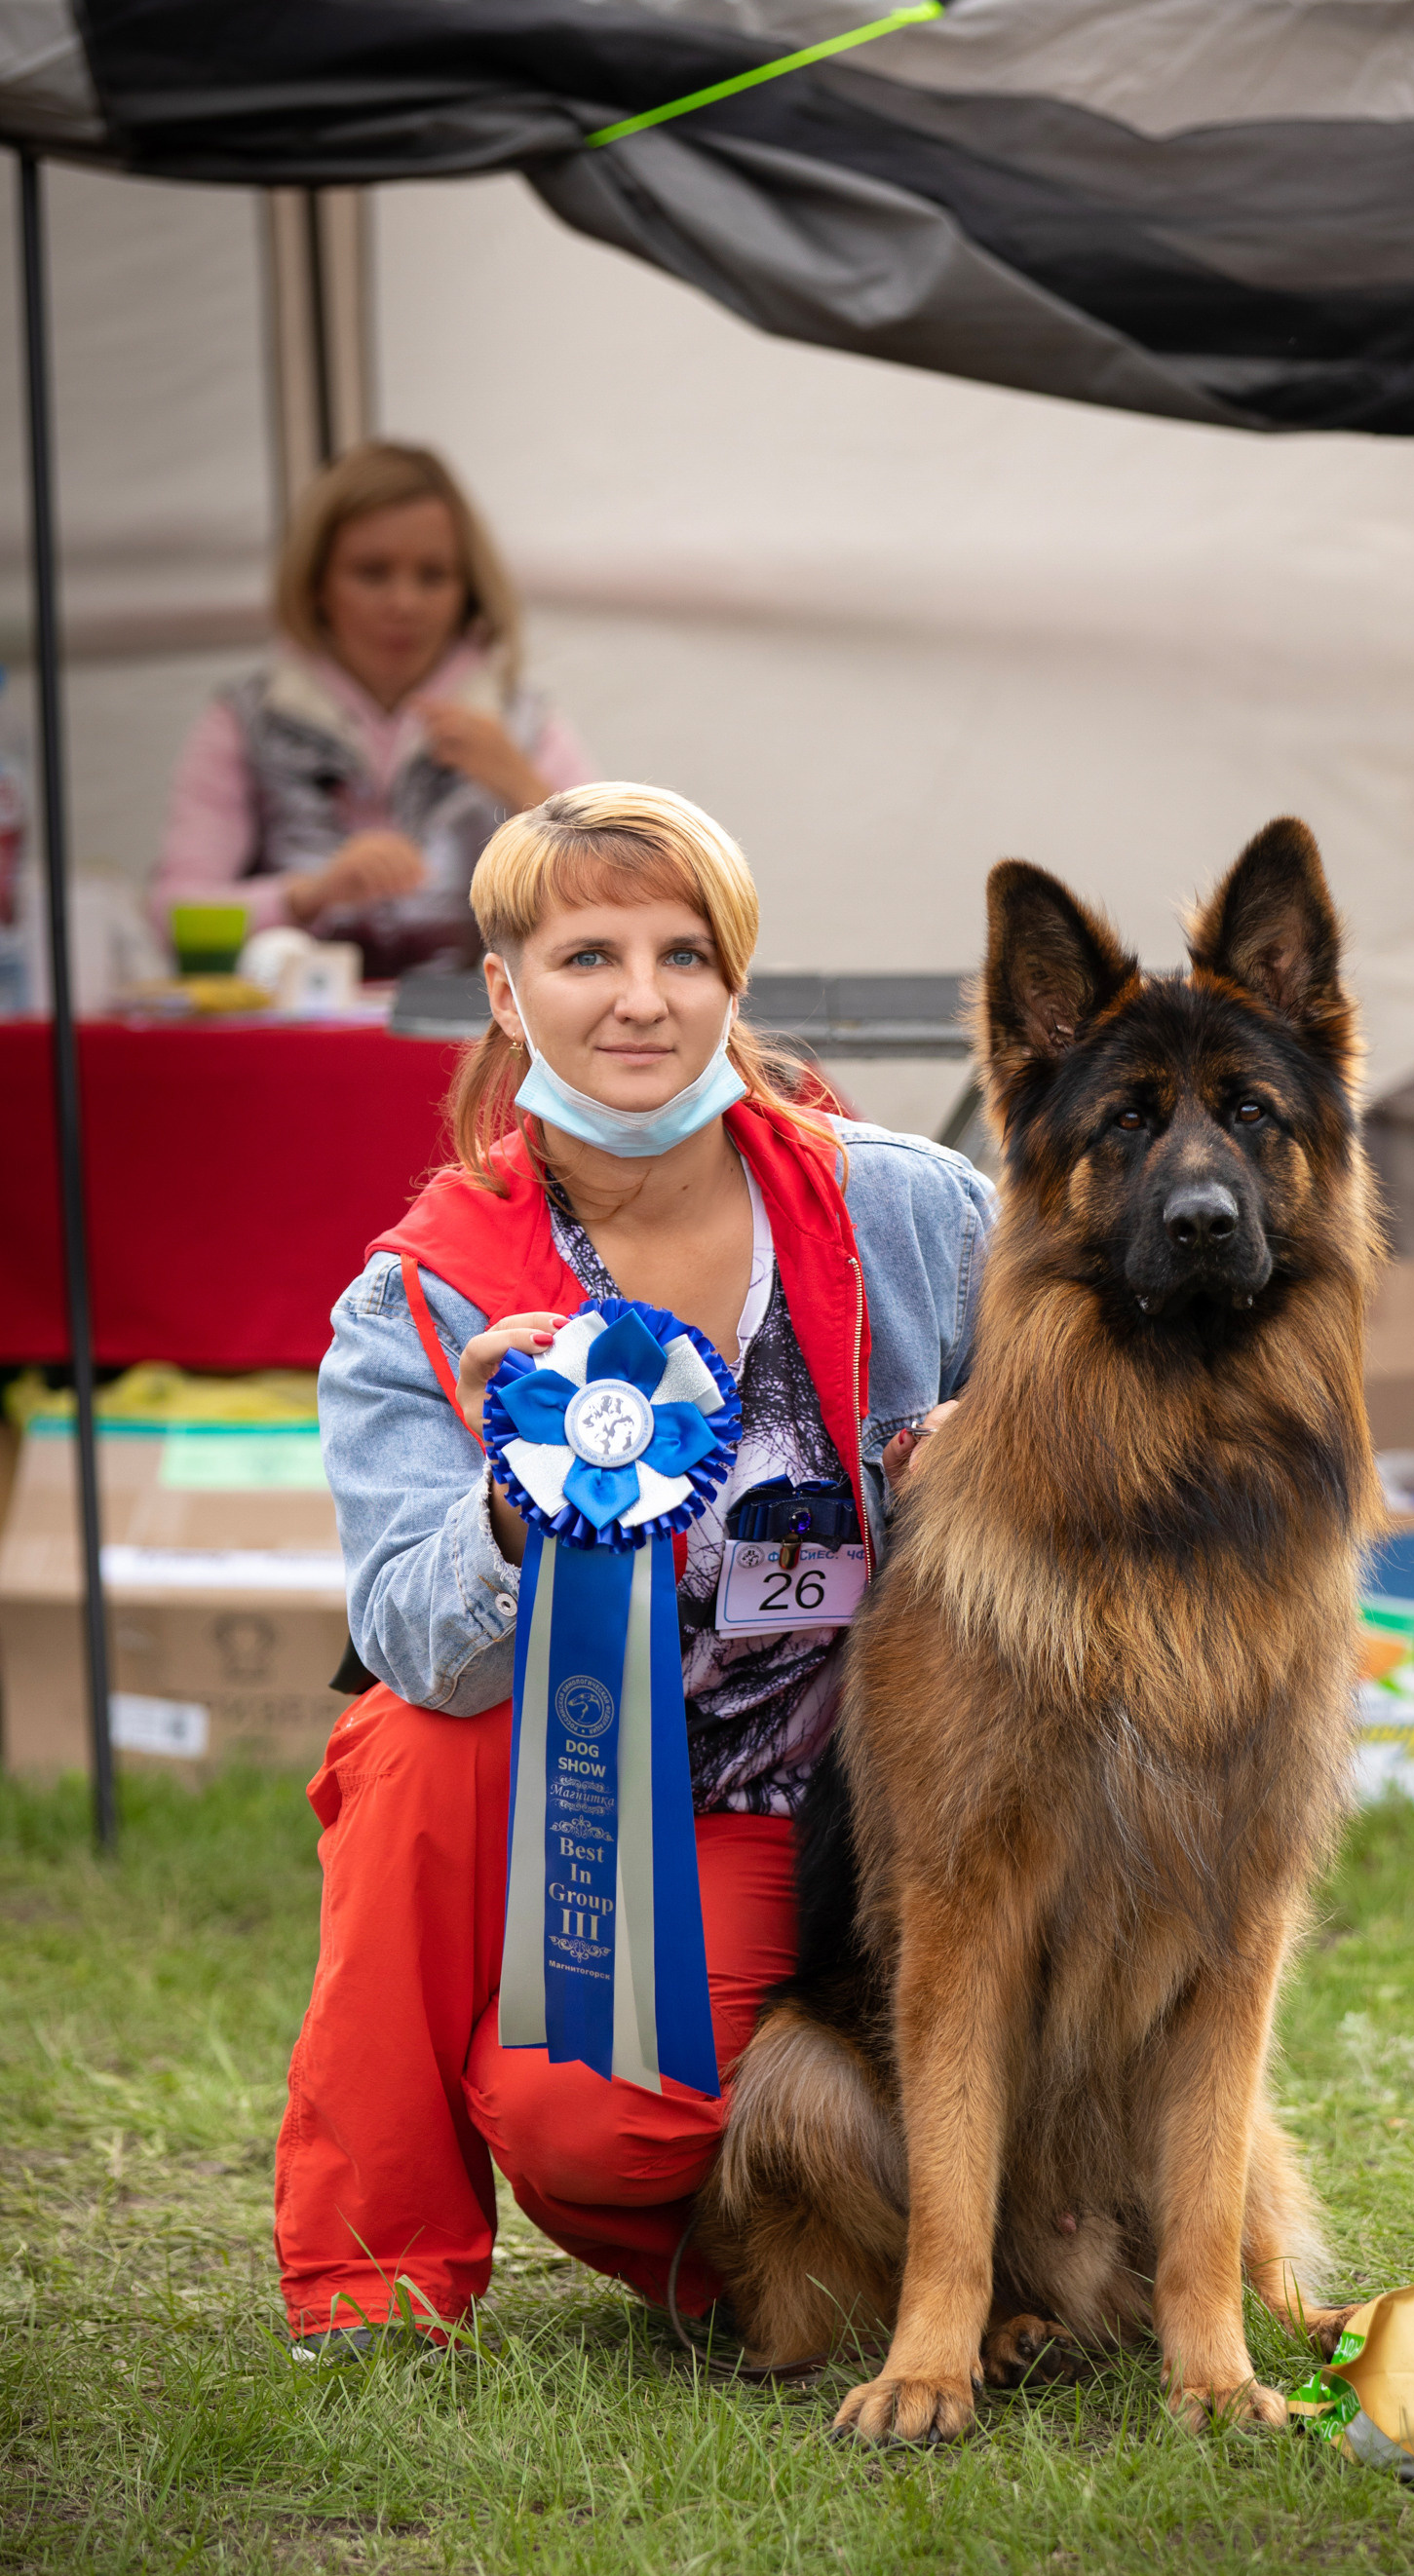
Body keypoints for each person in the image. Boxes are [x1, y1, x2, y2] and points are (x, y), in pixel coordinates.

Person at [275, 782, 992, 2352]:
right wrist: (512, 1509)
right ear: (505, 990)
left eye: (686, 954)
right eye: (588, 956)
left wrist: (990, 1452)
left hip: (864, 1795)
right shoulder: (423, 1299)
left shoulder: (916, 1212)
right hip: (615, 1809)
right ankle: (447, 2262)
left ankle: (952, 2251)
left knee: (595, 2095)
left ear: (737, 979)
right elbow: (410, 1638)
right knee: (423, 1784)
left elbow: (1098, 1405)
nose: (643, 1000)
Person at [150, 439, 590, 980]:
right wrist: (308, 895)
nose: (403, 603)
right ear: (316, 584)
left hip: (479, 1026)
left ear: (469, 592)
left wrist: (528, 792)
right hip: (293, 1027)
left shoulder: (523, 723)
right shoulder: (245, 719)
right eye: (372, 572)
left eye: (433, 575)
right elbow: (172, 915)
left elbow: (623, 900)